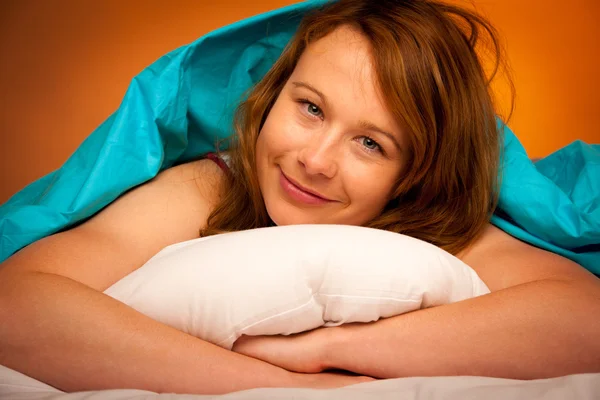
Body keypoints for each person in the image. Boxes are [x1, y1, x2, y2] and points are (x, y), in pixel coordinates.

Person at [1, 0, 599, 395]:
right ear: (273, 93)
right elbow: (16, 303)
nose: (315, 160)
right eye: (310, 108)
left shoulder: (432, 220)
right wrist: (278, 387)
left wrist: (327, 350)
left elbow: (585, 318)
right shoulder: (211, 184)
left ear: (416, 175)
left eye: (370, 143)